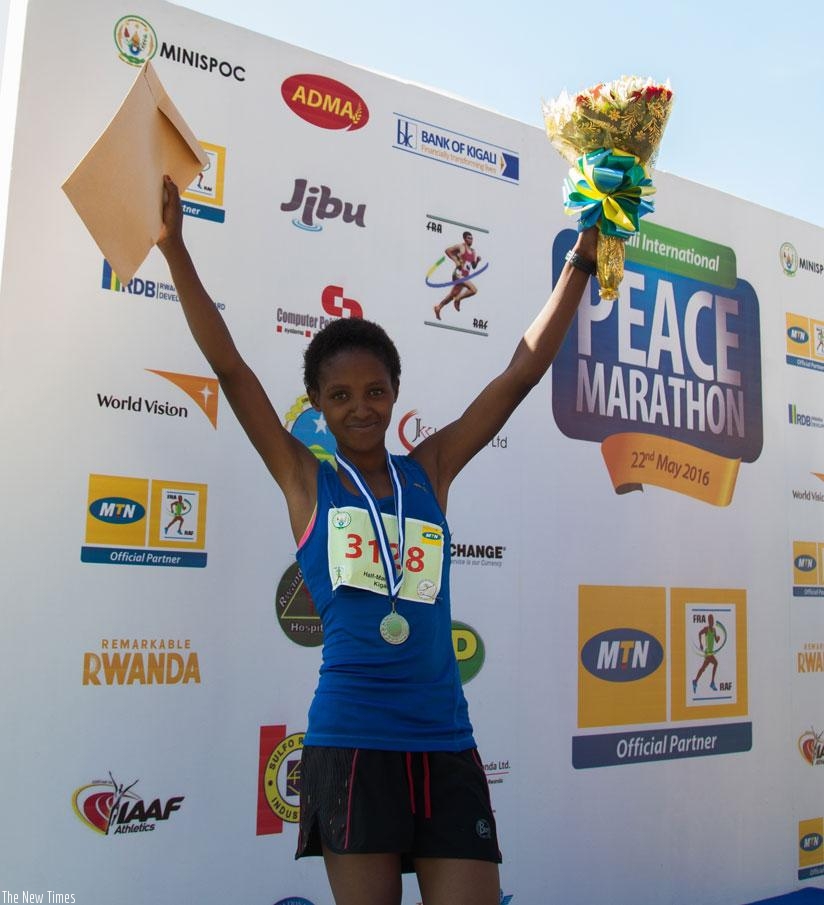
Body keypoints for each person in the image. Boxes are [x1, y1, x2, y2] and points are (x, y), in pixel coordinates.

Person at [157, 175, 597, 905]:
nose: (360, 408)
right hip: (354, 741)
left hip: (446, 742)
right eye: (339, 396)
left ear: (394, 392)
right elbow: (231, 369)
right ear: (319, 407)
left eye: (374, 391)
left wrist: (583, 256)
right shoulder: (306, 477)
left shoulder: (431, 467)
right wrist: (176, 250)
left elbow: (520, 372)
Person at [433, 231, 481, 320]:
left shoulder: (473, 251)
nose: (471, 240)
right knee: (474, 290)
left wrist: (477, 261)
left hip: (465, 276)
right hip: (458, 274)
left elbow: (473, 266)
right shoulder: (460, 247)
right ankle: (458, 299)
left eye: (472, 238)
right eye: (469, 238)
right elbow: (447, 251)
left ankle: (438, 307)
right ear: (465, 239)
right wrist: (456, 261)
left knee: (452, 295)